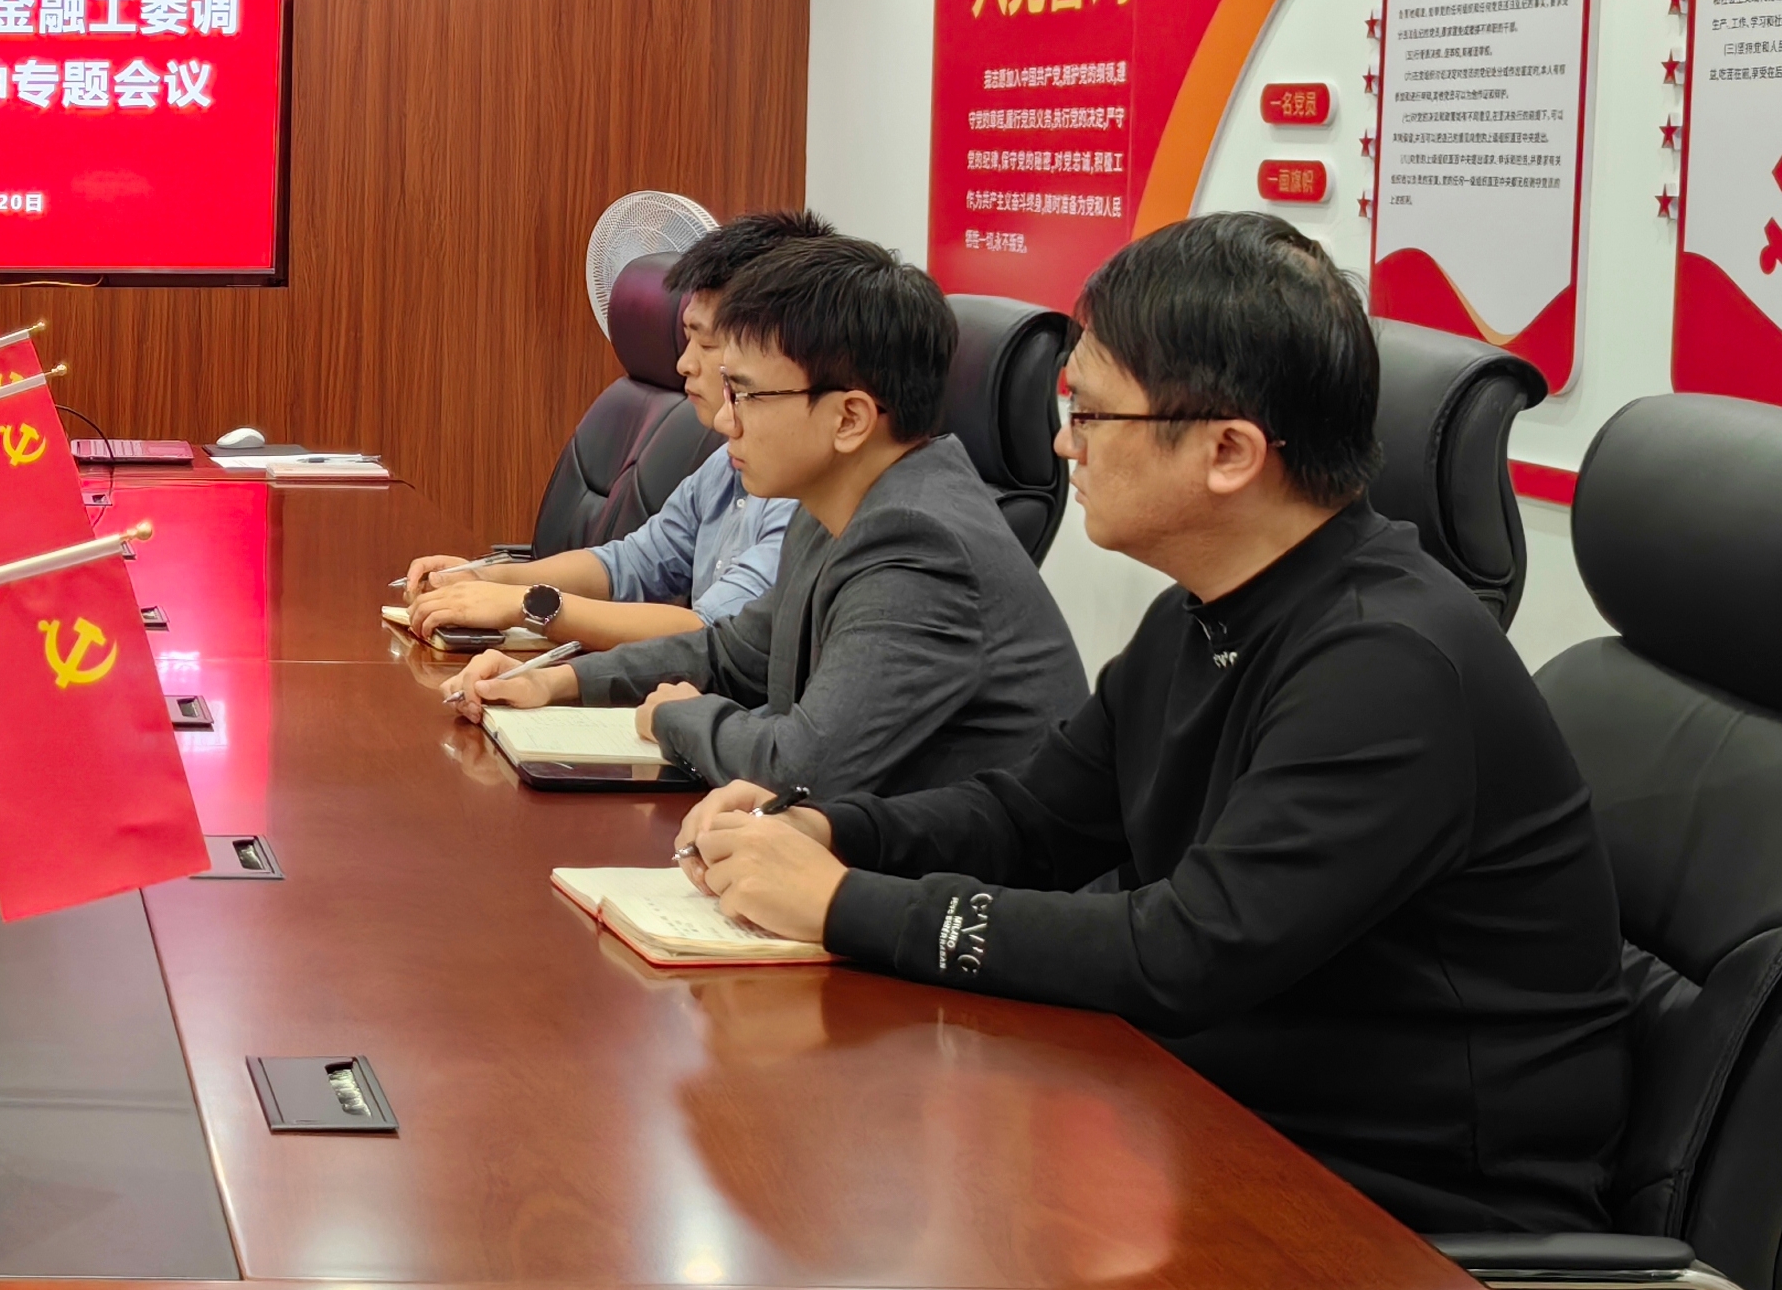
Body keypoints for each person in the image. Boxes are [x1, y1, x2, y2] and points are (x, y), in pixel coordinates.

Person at [679, 213, 1627, 1233]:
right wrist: (832, 830)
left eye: (1089, 412)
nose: (1062, 443)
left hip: (1406, 1214)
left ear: (1228, 451)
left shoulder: (1388, 664)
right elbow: (1031, 819)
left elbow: (1185, 950)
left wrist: (841, 903)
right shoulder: (1204, 611)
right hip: (1221, 1120)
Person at [453, 235, 1084, 798]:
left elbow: (802, 766)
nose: (727, 419)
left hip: (961, 883)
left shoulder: (919, 544)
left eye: (749, 395)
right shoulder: (834, 506)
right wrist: (557, 681)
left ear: (849, 418)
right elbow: (731, 655)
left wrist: (677, 716)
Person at [401, 211, 823, 650]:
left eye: (707, 343)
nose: (684, 364)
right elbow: (630, 564)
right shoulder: (725, 463)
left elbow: (715, 637)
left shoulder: (804, 494)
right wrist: (485, 578)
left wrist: (528, 604)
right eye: (687, 339)